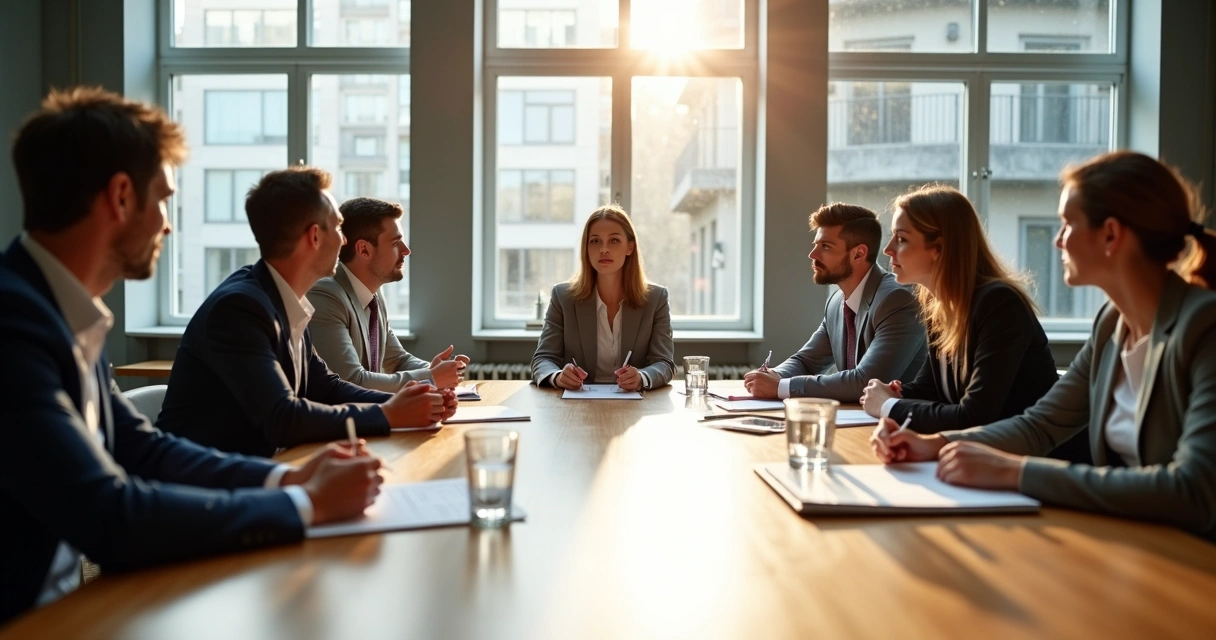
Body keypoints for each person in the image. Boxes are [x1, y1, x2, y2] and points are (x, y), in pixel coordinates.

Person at [0, 87, 382, 625]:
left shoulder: (59, 311)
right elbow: (109, 515)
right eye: (163, 199)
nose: (167, 223)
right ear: (121, 197)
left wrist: (286, 481)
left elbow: (142, 450)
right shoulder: (15, 325)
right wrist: (305, 505)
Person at [870, 151, 1216, 540]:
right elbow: (1039, 425)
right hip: (1127, 538)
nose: (1057, 240)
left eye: (1068, 224)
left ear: (1111, 235)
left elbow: (1193, 491)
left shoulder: (1204, 327)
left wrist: (1015, 472)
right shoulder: (1111, 325)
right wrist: (932, 445)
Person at [156, 167, 456, 458]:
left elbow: (327, 387)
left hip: (257, 469)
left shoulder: (282, 299)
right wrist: (388, 413)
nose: (343, 241)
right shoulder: (239, 308)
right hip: (204, 486)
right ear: (315, 236)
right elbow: (282, 417)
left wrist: (414, 403)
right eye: (338, 227)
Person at [857, 186, 1077, 462]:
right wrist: (890, 392)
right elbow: (930, 388)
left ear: (939, 248)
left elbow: (973, 416)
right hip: (983, 460)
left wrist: (889, 406)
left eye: (901, 239)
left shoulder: (999, 303)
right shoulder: (939, 305)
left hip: (1038, 465)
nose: (888, 249)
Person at [744, 203, 926, 401]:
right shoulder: (837, 302)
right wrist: (773, 376)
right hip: (863, 420)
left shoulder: (898, 300)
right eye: (815, 245)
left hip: (903, 424)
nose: (812, 255)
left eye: (825, 246)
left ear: (858, 254)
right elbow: (806, 361)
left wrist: (780, 387)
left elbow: (865, 381)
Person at [307, 197, 470, 392]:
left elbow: (397, 360)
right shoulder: (326, 296)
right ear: (364, 249)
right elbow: (351, 380)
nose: (406, 250)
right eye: (396, 242)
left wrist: (434, 370)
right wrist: (431, 378)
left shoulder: (374, 294)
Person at [531, 204, 675, 390]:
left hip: (634, 405)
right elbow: (543, 359)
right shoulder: (563, 297)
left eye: (614, 240)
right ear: (586, 248)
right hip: (578, 404)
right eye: (595, 241)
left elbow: (664, 362)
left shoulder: (656, 299)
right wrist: (558, 376)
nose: (604, 249)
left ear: (629, 247)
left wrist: (642, 377)